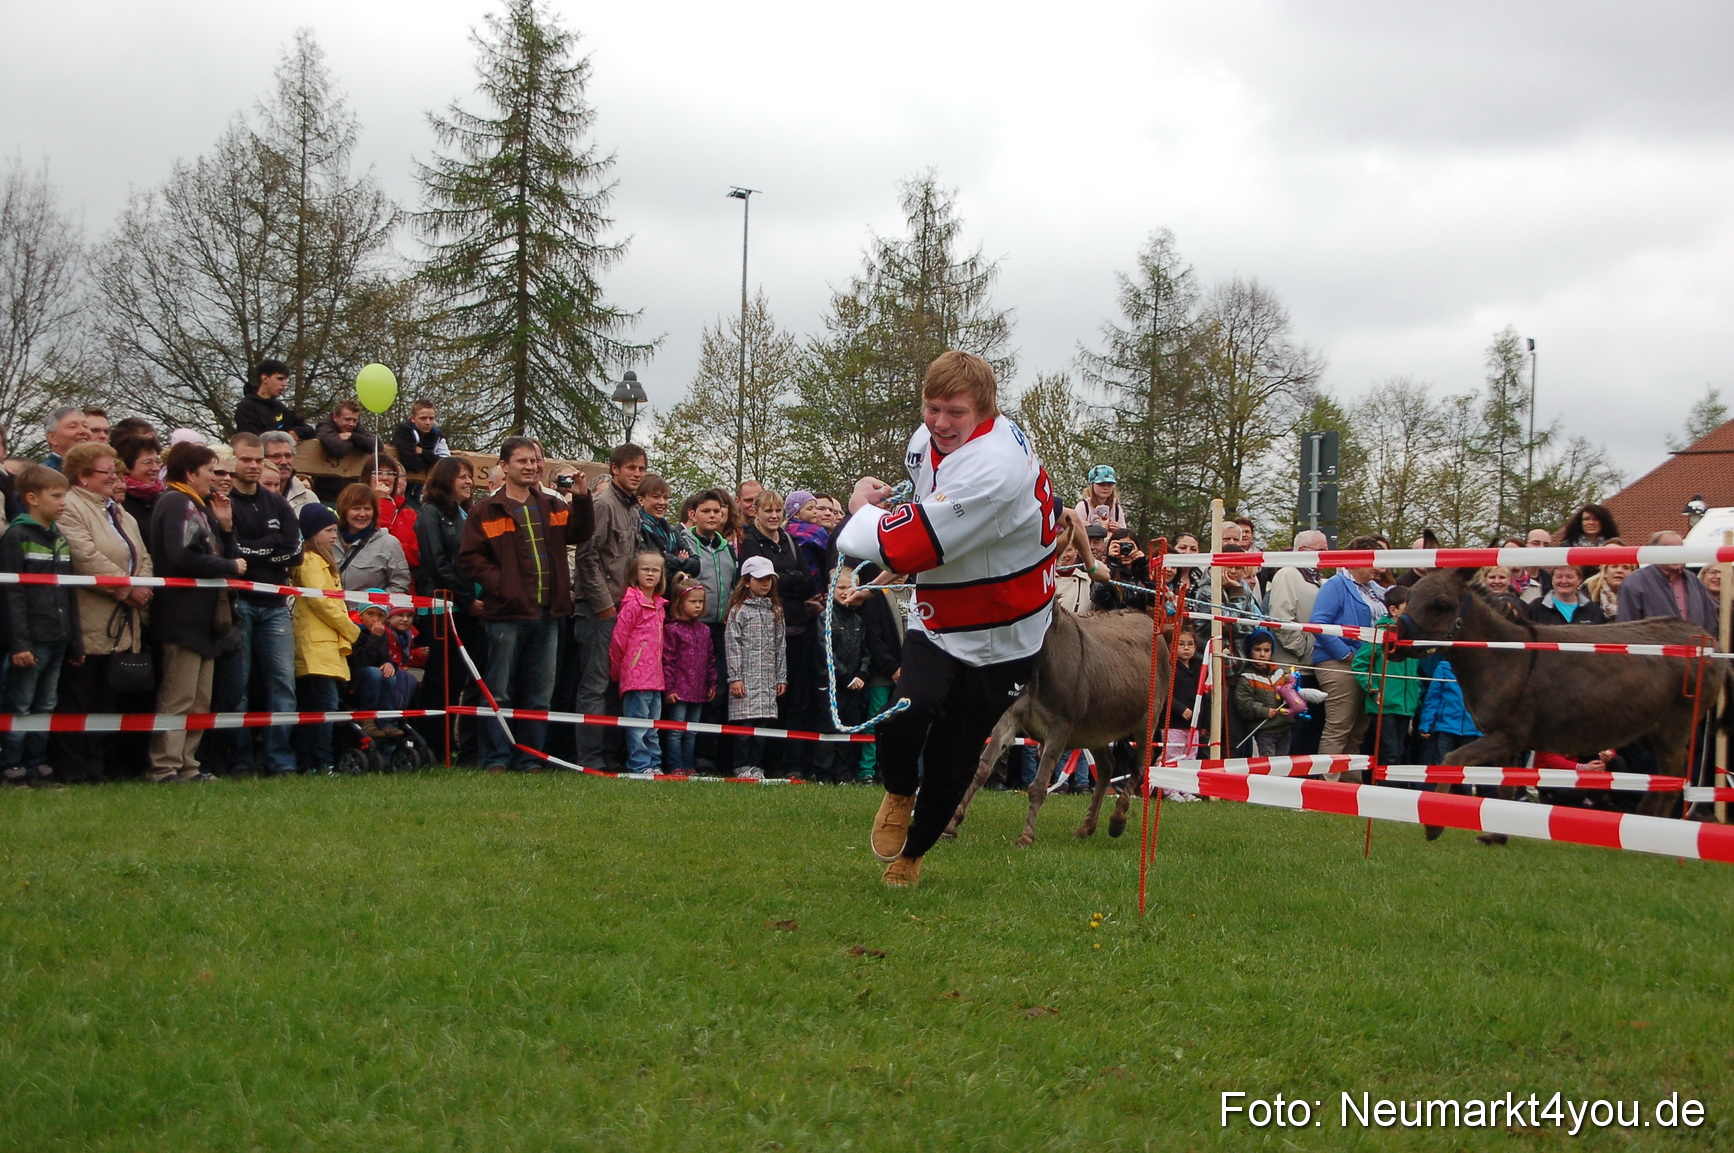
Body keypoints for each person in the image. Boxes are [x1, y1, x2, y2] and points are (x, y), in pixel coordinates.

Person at [837, 350, 1058, 887]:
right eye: (931, 408)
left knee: (955, 753)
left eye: (954, 412)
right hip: (943, 613)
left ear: (986, 410)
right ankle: (896, 791)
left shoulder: (994, 467)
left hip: (1009, 630)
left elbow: (896, 542)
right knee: (906, 711)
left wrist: (858, 507)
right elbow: (928, 509)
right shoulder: (929, 441)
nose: (939, 422)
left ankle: (913, 853)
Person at [459, 436, 586, 773]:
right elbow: (470, 558)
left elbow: (581, 531)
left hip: (549, 614)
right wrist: (503, 587)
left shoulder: (553, 505)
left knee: (539, 696)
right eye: (522, 461)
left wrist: (583, 497)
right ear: (504, 466)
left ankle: (530, 759)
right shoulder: (485, 510)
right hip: (505, 615)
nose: (530, 467)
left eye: (534, 461)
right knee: (499, 692)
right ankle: (495, 759)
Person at [146, 442, 246, 784]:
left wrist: (227, 528)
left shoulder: (198, 506)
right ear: (190, 473)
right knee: (178, 695)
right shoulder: (176, 502)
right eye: (209, 472)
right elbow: (182, 556)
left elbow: (217, 555)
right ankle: (165, 766)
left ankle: (188, 763)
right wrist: (228, 564)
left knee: (200, 699)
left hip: (205, 620)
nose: (215, 479)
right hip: (181, 616)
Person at [53, 443, 153, 784]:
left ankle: (97, 768)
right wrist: (127, 588)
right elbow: (85, 556)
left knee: (107, 700)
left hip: (123, 624)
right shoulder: (70, 508)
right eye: (107, 471)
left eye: (116, 471)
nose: (115, 477)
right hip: (89, 618)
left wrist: (143, 584)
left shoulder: (120, 512)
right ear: (82, 476)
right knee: (78, 696)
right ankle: (71, 769)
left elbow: (141, 554)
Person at [221, 433, 302, 777]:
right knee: (238, 685)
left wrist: (255, 552)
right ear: (233, 461)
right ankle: (240, 761)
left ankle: (279, 760)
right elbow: (231, 551)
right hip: (239, 604)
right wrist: (268, 550)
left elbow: (295, 552)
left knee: (283, 682)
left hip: (274, 604)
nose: (252, 466)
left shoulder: (277, 503)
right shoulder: (224, 503)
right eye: (246, 460)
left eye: (257, 460)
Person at [0, 465, 82, 788]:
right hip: (31, 640)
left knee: (46, 704)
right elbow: (12, 595)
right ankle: (12, 766)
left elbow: (68, 590)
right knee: (20, 704)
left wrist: (75, 639)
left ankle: (38, 765)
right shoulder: (16, 537)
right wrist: (19, 643)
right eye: (57, 496)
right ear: (32, 498)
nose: (63, 502)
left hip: (58, 637)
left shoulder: (59, 538)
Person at [570, 443, 646, 769]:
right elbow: (586, 557)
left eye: (641, 469)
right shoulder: (602, 505)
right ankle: (590, 759)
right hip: (597, 610)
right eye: (631, 468)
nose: (637, 474)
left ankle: (612, 757)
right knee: (594, 686)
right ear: (615, 468)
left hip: (623, 609)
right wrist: (604, 606)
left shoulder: (632, 508)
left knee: (616, 686)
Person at [739, 487, 820, 777]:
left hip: (798, 629)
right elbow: (763, 583)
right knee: (768, 700)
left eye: (778, 511)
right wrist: (790, 579)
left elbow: (808, 582)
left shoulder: (788, 539)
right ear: (757, 513)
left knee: (797, 700)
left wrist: (787, 579)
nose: (773, 516)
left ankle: (793, 765)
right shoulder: (750, 542)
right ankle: (764, 761)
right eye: (767, 511)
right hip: (767, 632)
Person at [414, 457, 484, 756]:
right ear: (445, 479)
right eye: (461, 477)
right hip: (443, 608)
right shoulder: (430, 514)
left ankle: (456, 742)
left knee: (461, 677)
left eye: (470, 476)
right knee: (442, 677)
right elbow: (438, 564)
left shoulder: (465, 514)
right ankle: (432, 742)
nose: (468, 482)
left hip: (467, 607)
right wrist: (468, 600)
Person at [291, 503, 359, 774]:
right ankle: (319, 762)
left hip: (327, 646)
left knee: (320, 705)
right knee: (323, 706)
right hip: (315, 646)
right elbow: (323, 603)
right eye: (329, 530)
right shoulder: (310, 561)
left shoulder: (322, 561)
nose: (334, 536)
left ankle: (315, 761)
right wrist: (352, 630)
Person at [1307, 535, 1384, 770]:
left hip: (1366, 666)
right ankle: (1326, 786)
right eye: (1372, 559)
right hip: (1339, 664)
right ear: (1355, 561)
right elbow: (1318, 623)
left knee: (1359, 729)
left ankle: (1350, 784)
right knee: (1339, 726)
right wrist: (1345, 654)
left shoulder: (1374, 590)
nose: (1376, 566)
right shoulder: (1336, 585)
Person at [724, 555, 786, 781]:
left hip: (768, 681)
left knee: (762, 729)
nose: (765, 583)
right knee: (744, 728)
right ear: (747, 581)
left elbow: (781, 645)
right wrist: (735, 678)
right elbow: (732, 646)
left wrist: (782, 677)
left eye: (768, 579)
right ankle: (741, 766)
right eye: (759, 579)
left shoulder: (775, 611)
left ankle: (757, 765)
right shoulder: (738, 611)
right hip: (746, 681)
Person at [609, 550, 669, 776]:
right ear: (635, 573)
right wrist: (618, 671)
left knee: (653, 727)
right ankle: (639, 764)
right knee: (637, 726)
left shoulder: (660, 605)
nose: (651, 574)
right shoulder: (632, 603)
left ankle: (654, 764)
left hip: (656, 678)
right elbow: (618, 640)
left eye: (656, 570)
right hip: (635, 677)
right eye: (646, 569)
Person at [1352, 586, 1420, 767]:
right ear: (1393, 610)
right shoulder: (1382, 633)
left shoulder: (1413, 635)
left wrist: (1416, 694)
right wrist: (1375, 691)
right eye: (1409, 606)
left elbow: (1415, 670)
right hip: (1386, 705)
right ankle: (1384, 790)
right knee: (1389, 754)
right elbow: (1359, 663)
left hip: (1406, 705)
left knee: (1400, 752)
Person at [662, 580, 716, 776]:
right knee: (676, 731)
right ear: (679, 603)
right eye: (693, 601)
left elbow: (710, 659)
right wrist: (669, 689)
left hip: (699, 690)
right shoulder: (672, 629)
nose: (698, 606)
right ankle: (675, 766)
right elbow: (668, 660)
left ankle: (688, 766)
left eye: (700, 602)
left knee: (692, 731)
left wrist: (712, 683)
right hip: (679, 690)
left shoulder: (705, 630)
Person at [1617, 531, 1718, 632]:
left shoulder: (1695, 582)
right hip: (1653, 646)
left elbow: (1709, 624)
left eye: (1680, 549)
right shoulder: (1634, 583)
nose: (1676, 554)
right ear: (1655, 552)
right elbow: (1626, 627)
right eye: (1669, 549)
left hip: (1693, 645)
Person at [332, 483, 411, 594]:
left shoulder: (389, 543)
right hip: (330, 610)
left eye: (367, 509)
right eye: (356, 508)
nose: (362, 514)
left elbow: (401, 585)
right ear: (344, 510)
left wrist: (374, 606)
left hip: (366, 610)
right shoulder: (328, 540)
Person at [348, 604, 411, 739]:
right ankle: (367, 719)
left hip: (374, 676)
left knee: (390, 676)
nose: (376, 619)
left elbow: (384, 657)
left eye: (381, 615)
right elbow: (361, 661)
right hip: (356, 678)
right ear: (361, 616)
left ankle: (387, 721)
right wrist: (374, 637)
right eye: (370, 614)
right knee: (374, 673)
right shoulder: (354, 631)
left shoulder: (383, 634)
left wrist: (389, 663)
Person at [1232, 627, 1295, 757]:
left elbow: (1290, 692)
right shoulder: (1247, 677)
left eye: (1266, 650)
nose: (1262, 654)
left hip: (1285, 727)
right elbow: (1243, 703)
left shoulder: (1279, 672)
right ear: (1250, 651)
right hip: (1265, 730)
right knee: (1268, 763)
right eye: (1257, 650)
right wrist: (1263, 711)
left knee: (1283, 763)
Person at [312, 400, 379, 502]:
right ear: (335, 417)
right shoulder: (324, 427)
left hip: (350, 493)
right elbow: (339, 449)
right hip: (326, 494)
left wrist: (352, 436)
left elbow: (378, 445)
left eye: (354, 420)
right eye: (347, 419)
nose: (351, 424)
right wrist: (359, 443)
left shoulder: (354, 429)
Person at [235, 358, 316, 440]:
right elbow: (253, 442)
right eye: (280, 379)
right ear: (265, 379)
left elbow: (309, 430)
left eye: (286, 380)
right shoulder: (246, 408)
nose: (285, 384)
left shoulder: (280, 408)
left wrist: (296, 432)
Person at [638, 473, 698, 581]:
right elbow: (650, 562)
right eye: (656, 497)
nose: (662, 502)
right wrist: (679, 563)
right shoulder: (637, 527)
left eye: (665, 498)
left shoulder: (671, 531)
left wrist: (668, 560)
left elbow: (696, 565)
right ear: (641, 500)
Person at [368, 459, 420, 567]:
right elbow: (371, 545)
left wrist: (389, 549)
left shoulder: (411, 514)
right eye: (378, 473)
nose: (385, 478)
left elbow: (417, 554)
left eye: (391, 474)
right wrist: (383, 502)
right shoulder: (357, 509)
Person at [390, 399, 450, 487]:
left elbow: (447, 462)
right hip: (399, 485)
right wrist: (433, 460)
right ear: (413, 418)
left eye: (431, 418)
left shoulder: (437, 435)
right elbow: (411, 463)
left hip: (419, 486)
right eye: (423, 418)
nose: (428, 422)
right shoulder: (404, 431)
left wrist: (423, 452)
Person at [1527, 564, 1606, 626]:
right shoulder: (1536, 607)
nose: (1564, 581)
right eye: (1559, 577)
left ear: (1579, 580)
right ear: (1552, 580)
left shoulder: (1592, 610)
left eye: (1570, 577)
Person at [260, 431, 316, 510]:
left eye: (288, 456)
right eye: (276, 456)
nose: (284, 462)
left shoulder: (308, 498)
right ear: (262, 459)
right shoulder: (249, 496)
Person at [116, 435, 163, 526]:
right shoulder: (119, 501)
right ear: (127, 466)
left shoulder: (162, 499)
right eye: (148, 462)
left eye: (157, 461)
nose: (156, 468)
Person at [1585, 540, 1632, 619]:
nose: (1619, 571)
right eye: (1614, 566)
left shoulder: (1639, 595)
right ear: (1605, 571)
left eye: (1626, 567)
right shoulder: (1586, 591)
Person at [1074, 465, 1124, 529]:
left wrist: (1119, 530)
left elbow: (1126, 536)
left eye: (1109, 484)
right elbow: (1077, 531)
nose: (1105, 488)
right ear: (1092, 485)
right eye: (1101, 484)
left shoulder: (1117, 508)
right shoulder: (1083, 506)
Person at [40, 406, 88, 472]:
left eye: (85, 426)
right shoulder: (43, 475)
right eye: (73, 427)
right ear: (52, 437)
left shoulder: (97, 471)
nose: (83, 431)